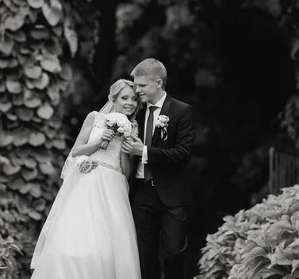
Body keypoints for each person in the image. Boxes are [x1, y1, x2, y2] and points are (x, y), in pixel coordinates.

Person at [30, 79, 142, 279]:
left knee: (109, 245)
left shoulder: (132, 128)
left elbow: (126, 172)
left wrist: (126, 148)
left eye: (134, 99)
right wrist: (101, 141)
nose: (130, 103)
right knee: (77, 237)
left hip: (114, 186)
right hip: (89, 182)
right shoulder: (95, 118)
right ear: (113, 98)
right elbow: (76, 151)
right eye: (124, 97)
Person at [122, 58, 195, 279]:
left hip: (172, 195)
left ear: (159, 83)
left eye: (142, 86)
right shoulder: (135, 113)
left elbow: (183, 154)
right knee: (145, 255)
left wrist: (144, 152)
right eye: (135, 85)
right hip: (141, 193)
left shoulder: (182, 111)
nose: (137, 91)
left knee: (174, 253)